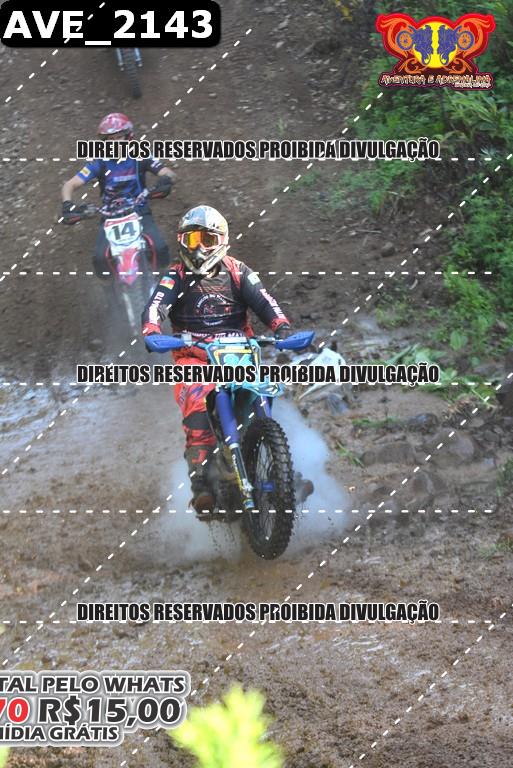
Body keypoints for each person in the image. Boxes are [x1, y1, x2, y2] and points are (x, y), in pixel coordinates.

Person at [141, 204, 291, 514]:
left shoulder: (238, 271)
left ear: (222, 240)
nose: (199, 248)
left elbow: (265, 301)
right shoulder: (176, 276)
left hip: (239, 353)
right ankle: (202, 484)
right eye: (192, 239)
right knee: (196, 398)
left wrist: (281, 327)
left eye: (207, 240)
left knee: (264, 391)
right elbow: (156, 305)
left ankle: (280, 468)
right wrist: (152, 329)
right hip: (194, 357)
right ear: (182, 241)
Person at [61, 112, 176, 276]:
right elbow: (70, 184)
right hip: (110, 215)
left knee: (159, 248)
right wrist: (67, 204)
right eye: (110, 139)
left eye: (119, 137)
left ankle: (165, 280)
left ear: (128, 137)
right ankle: (108, 287)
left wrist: (165, 181)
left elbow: (168, 172)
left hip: (139, 210)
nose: (115, 143)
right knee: (100, 259)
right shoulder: (99, 162)